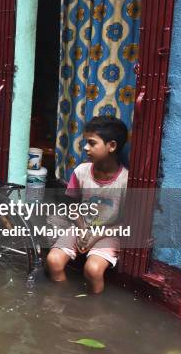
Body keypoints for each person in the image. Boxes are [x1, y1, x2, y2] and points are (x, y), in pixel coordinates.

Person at [46, 116, 129, 294]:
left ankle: (93, 313)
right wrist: (83, 228)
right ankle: (63, 300)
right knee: (54, 261)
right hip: (81, 226)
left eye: (92, 143)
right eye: (86, 142)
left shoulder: (125, 180)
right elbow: (73, 206)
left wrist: (96, 236)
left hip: (108, 232)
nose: (85, 148)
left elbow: (127, 221)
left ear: (112, 146)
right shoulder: (81, 172)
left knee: (93, 270)